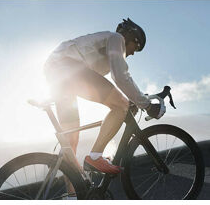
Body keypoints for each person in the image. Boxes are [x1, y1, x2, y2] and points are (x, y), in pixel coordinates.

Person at [44, 18, 163, 174]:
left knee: (70, 146)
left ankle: (73, 196)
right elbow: (120, 77)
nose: (134, 52)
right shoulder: (116, 38)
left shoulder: (105, 55)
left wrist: (132, 100)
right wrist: (146, 105)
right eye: (137, 46)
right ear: (130, 37)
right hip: (67, 66)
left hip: (57, 73)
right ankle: (95, 157)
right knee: (120, 104)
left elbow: (103, 86)